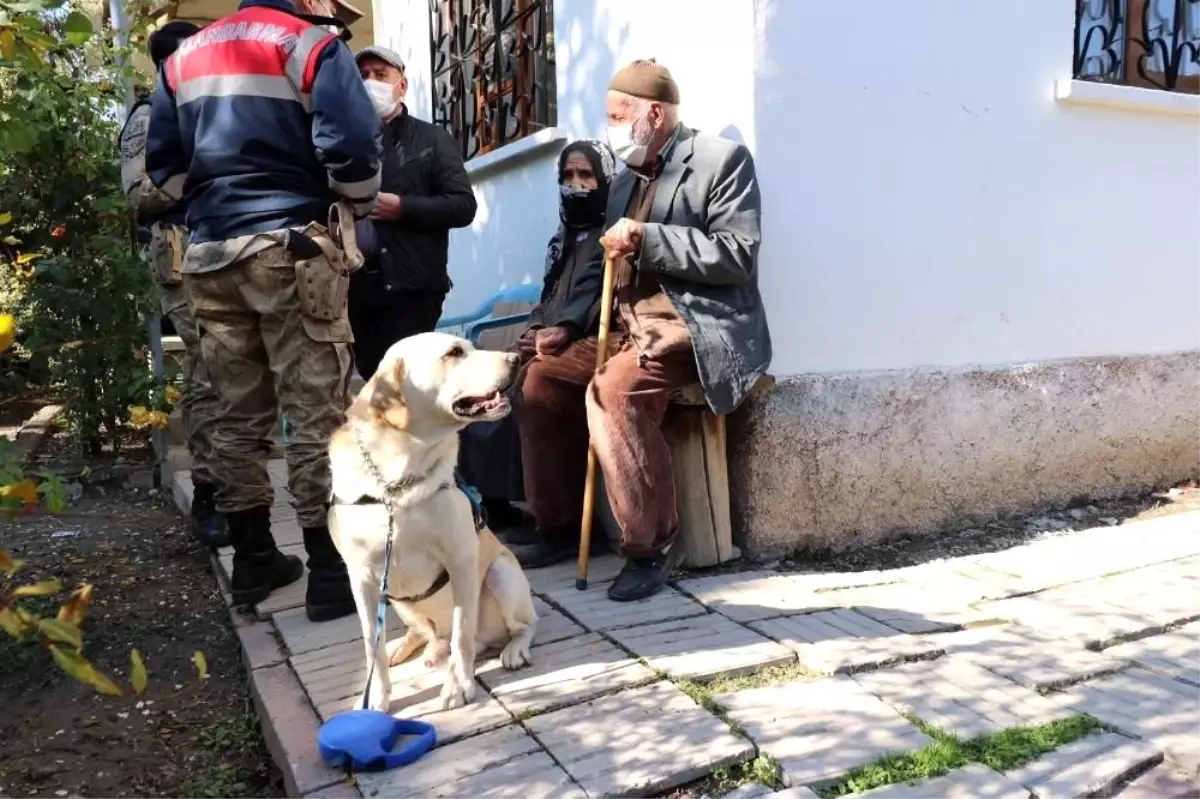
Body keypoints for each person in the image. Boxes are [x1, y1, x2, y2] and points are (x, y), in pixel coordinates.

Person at [144, 0, 384, 622]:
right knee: (315, 409)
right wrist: (350, 203)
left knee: (233, 413)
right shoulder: (309, 45)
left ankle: (253, 558)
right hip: (290, 244)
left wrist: (208, 200)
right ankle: (330, 574)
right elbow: (354, 147)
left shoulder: (183, 60)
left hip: (208, 253)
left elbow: (163, 167)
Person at [512, 59, 772, 602]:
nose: (609, 126)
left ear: (654, 114)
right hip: (627, 326)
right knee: (541, 378)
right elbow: (597, 265)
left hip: (690, 326)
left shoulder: (721, 161)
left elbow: (737, 255)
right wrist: (560, 325)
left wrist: (650, 238)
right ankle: (556, 526)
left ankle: (650, 547)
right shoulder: (624, 178)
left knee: (614, 392)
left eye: (616, 115)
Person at [457, 139, 617, 531]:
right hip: (550, 336)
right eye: (567, 176)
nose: (575, 184)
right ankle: (494, 502)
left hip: (591, 338)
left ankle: (558, 523)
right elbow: (548, 297)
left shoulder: (613, 235)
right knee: (481, 386)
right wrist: (533, 329)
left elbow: (595, 296)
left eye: (586, 175)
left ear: (605, 180)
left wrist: (559, 331)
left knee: (534, 383)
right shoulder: (563, 238)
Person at [119, 21, 229, 550]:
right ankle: (210, 493)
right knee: (208, 371)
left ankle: (235, 486)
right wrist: (205, 170)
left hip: (230, 248)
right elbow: (139, 194)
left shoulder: (210, 106)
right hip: (182, 255)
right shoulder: (148, 115)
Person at [349, 46, 477, 380]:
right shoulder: (344, 142)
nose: (370, 83)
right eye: (362, 76)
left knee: (407, 385)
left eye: (380, 75)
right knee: (371, 381)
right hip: (357, 288)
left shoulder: (432, 138)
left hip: (413, 290)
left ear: (401, 85)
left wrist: (403, 208)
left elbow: (463, 206)